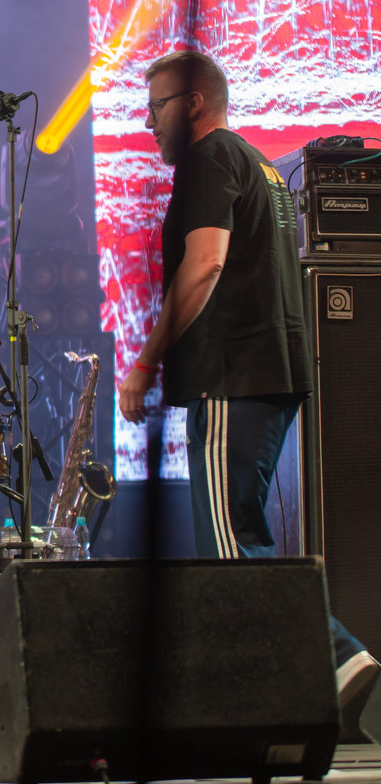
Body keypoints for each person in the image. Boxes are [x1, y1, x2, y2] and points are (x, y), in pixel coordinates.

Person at [116, 50, 378, 708]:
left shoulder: (209, 159)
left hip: (231, 377)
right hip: (270, 373)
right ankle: (274, 697)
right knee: (244, 541)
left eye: (155, 107)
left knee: (230, 552)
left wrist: (146, 362)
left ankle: (339, 661)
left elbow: (205, 263)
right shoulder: (257, 163)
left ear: (194, 102)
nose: (148, 122)